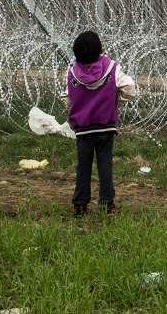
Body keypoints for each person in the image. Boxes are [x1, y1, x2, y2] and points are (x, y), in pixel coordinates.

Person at [67, 31, 137, 216]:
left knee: (83, 167)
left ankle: (80, 205)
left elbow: (67, 96)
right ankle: (107, 204)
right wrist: (117, 95)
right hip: (105, 126)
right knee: (105, 166)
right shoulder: (112, 69)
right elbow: (130, 89)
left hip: (83, 128)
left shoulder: (73, 72)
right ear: (100, 50)